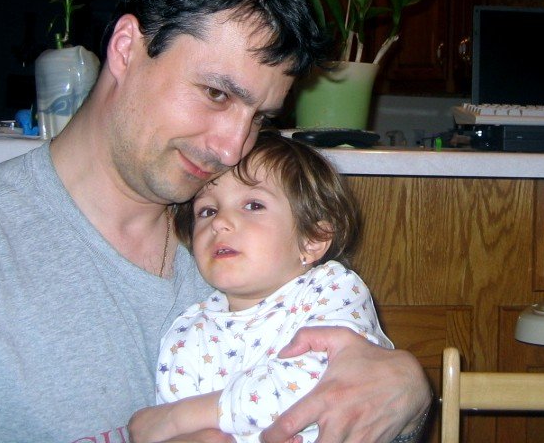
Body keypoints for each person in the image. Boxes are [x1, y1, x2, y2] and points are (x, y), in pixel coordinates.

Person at [0, 0, 430, 443]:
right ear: (127, 48)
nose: (232, 148)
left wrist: (410, 393)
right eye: (216, 94)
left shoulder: (250, 233)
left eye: (259, 117)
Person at [129, 131, 392, 443]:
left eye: (253, 205)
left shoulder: (333, 290)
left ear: (313, 239)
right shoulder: (187, 332)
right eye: (207, 211)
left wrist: (181, 417)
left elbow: (327, 386)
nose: (219, 222)